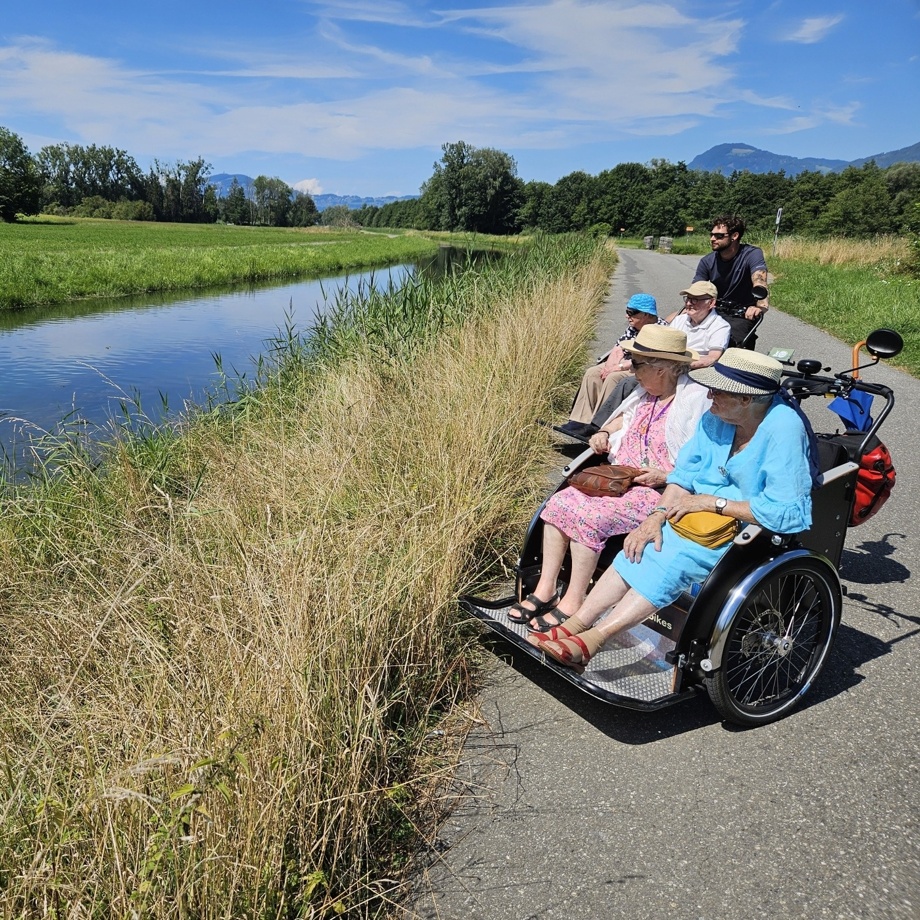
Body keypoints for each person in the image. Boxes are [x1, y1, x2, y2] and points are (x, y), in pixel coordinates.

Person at [527, 348, 816, 670]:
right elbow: (683, 477)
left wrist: (713, 503)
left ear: (746, 399)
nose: (709, 395)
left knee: (672, 558)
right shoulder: (717, 417)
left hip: (745, 526)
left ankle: (594, 638)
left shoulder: (784, 430)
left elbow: (785, 511)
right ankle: (577, 624)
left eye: (717, 390)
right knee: (639, 544)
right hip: (691, 514)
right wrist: (655, 517)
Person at [508, 325, 710, 629]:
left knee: (590, 518)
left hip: (654, 489)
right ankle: (546, 589)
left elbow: (700, 462)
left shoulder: (694, 401)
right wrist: (603, 431)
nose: (632, 368)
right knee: (559, 504)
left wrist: (665, 475)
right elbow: (622, 420)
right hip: (617, 477)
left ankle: (575, 601)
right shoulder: (644, 392)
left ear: (664, 368)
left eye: (638, 363)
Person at [556, 293, 664, 439]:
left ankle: (597, 424)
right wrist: (608, 366)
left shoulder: (659, 330)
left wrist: (616, 368)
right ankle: (580, 420)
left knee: (614, 378)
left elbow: (646, 359)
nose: (627, 316)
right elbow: (618, 347)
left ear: (646, 314)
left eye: (631, 313)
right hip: (624, 363)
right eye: (627, 311)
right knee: (593, 372)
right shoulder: (634, 327)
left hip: (642, 366)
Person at [693, 215, 770, 350]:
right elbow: (697, 289)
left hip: (741, 314)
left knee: (730, 342)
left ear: (734, 236)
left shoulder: (751, 254)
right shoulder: (707, 261)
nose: (712, 239)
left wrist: (760, 305)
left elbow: (759, 278)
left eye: (719, 236)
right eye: (712, 235)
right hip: (714, 311)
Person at [669, 281, 731, 369]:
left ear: (711, 303)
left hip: (695, 370)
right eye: (687, 298)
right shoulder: (680, 319)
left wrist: (681, 366)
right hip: (670, 365)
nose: (688, 303)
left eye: (695, 300)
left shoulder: (720, 326)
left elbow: (712, 357)